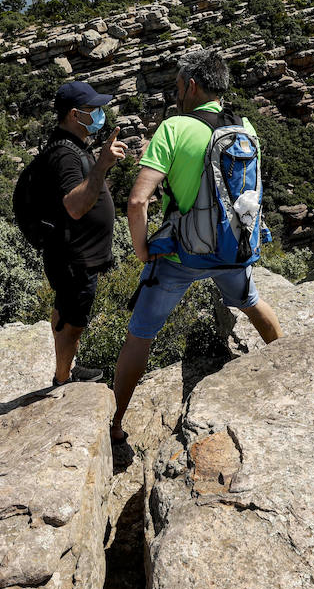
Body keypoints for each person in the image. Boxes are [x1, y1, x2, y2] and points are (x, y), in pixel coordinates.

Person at [110, 49, 283, 443]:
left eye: (177, 86)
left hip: (179, 254)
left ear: (191, 85)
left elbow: (138, 201)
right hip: (231, 248)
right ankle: (288, 369)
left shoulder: (174, 129)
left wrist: (141, 249)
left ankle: (117, 422)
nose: (176, 93)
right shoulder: (246, 127)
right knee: (252, 302)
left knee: (141, 333)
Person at [36, 81, 130, 386]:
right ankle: (63, 379)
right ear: (75, 114)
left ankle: (67, 368)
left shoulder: (71, 145)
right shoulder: (64, 154)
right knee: (73, 322)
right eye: (95, 109)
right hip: (74, 258)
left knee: (66, 312)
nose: (101, 114)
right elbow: (74, 206)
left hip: (76, 254)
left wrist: (100, 164)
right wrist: (102, 165)